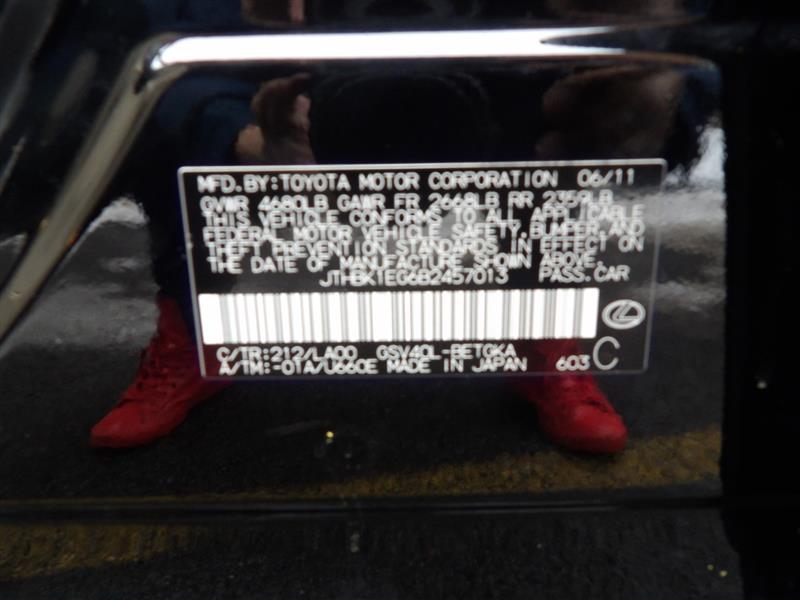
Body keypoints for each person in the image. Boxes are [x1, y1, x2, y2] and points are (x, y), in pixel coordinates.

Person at [89, 66, 667, 453]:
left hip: (499, 86)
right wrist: (233, 133)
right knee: (183, 151)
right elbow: (143, 50)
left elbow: (657, 57)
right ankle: (196, 339)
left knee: (555, 166)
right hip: (285, 93)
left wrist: (643, 105)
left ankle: (546, 347)